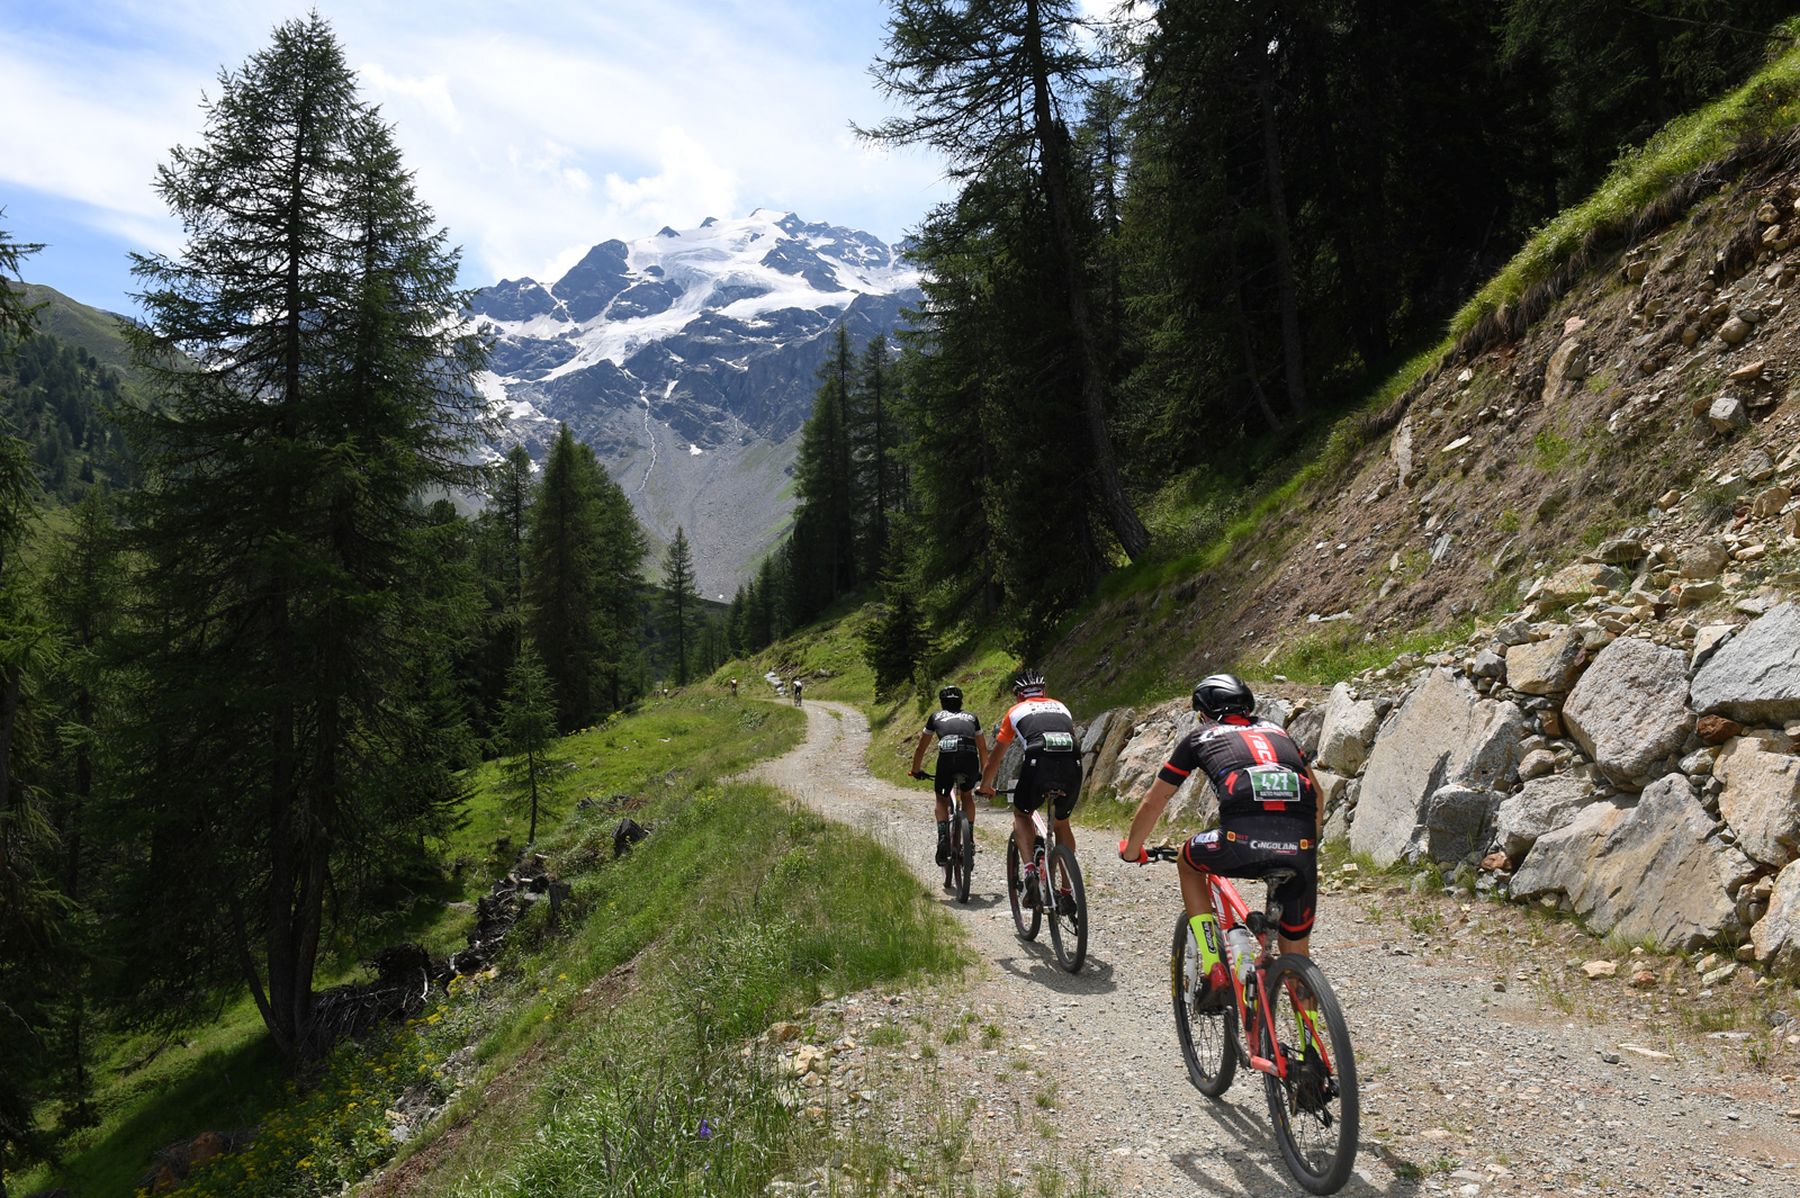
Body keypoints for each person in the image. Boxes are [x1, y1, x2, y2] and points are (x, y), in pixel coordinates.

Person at [1119, 673, 1324, 1002]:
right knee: (1296, 953)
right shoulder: (1278, 731)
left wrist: (1132, 850)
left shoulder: (1199, 737)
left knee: (1188, 860)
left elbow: (1154, 801)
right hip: (1300, 847)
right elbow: (1317, 795)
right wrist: (1305, 845)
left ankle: (1214, 965)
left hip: (1239, 841)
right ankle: (1310, 1043)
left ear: (1203, 713)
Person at [977, 670, 1082, 911]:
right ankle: (1067, 891)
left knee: (1022, 814)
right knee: (1062, 823)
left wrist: (985, 785)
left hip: (1037, 760)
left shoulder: (1015, 712)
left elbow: (996, 756)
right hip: (1072, 761)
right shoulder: (1061, 707)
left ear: (1018, 696)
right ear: (1044, 693)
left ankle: (1030, 872)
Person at [909, 685, 987, 866]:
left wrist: (916, 770)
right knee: (967, 795)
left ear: (942, 702)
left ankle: (943, 836)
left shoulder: (935, 717)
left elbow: (921, 747)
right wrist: (983, 772)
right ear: (961, 701)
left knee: (941, 799)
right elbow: (982, 748)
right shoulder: (972, 717)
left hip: (947, 758)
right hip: (969, 758)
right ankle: (970, 839)